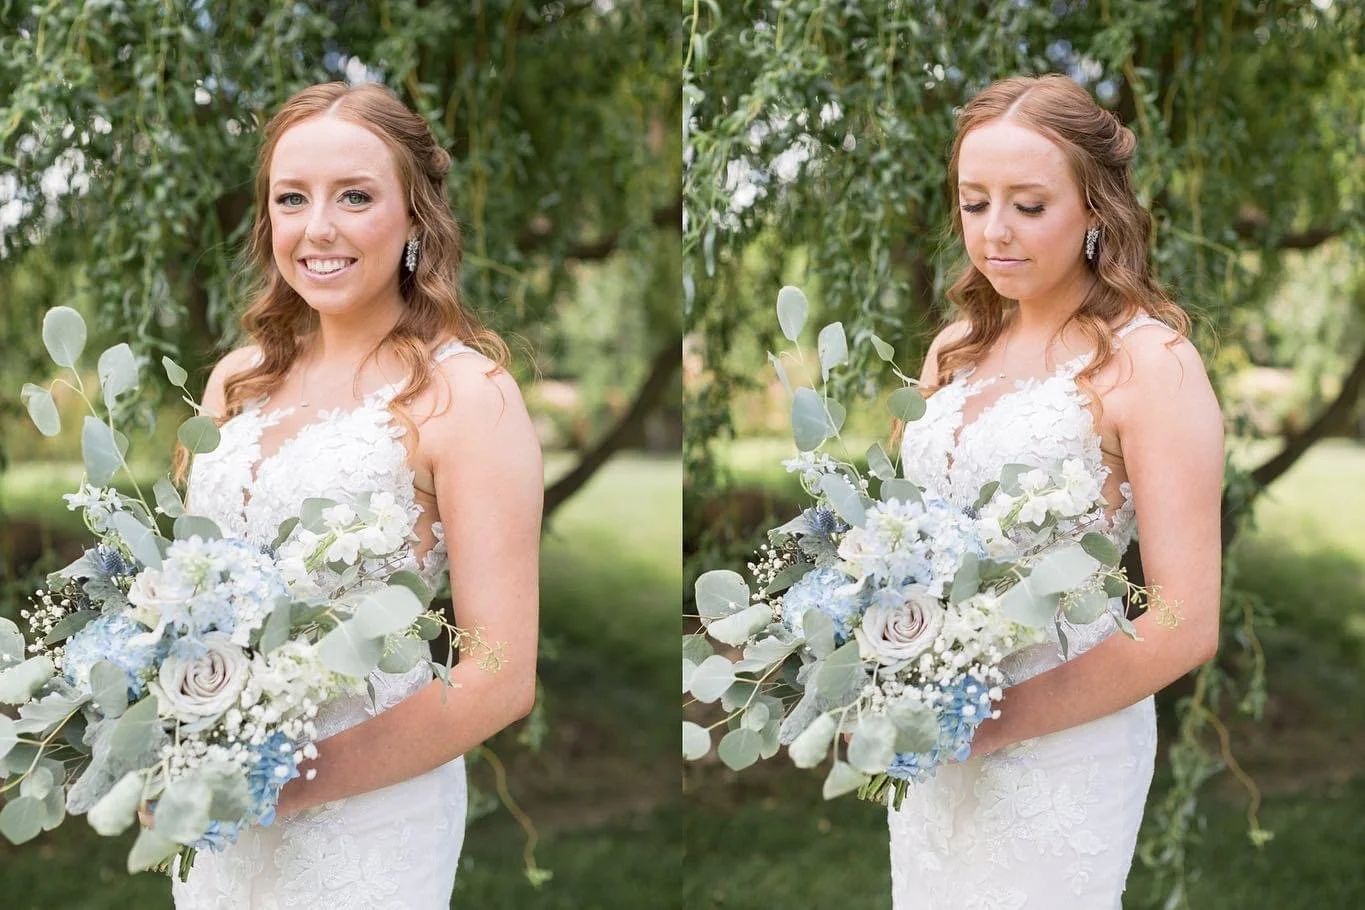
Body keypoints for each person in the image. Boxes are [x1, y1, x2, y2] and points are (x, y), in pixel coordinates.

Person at [168, 81, 542, 908]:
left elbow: (500, 674)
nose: (319, 228)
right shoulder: (235, 382)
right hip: (216, 817)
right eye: (291, 198)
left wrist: (285, 782)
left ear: (415, 218)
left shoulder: (465, 396)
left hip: (365, 825)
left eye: (356, 197)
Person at [888, 74, 1223, 908]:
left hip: (1062, 747)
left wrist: (994, 721)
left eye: (1028, 206)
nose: (993, 233)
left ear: (1094, 211)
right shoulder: (951, 352)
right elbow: (903, 542)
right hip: (932, 747)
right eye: (973, 203)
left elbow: (1184, 623)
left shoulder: (1149, 364)